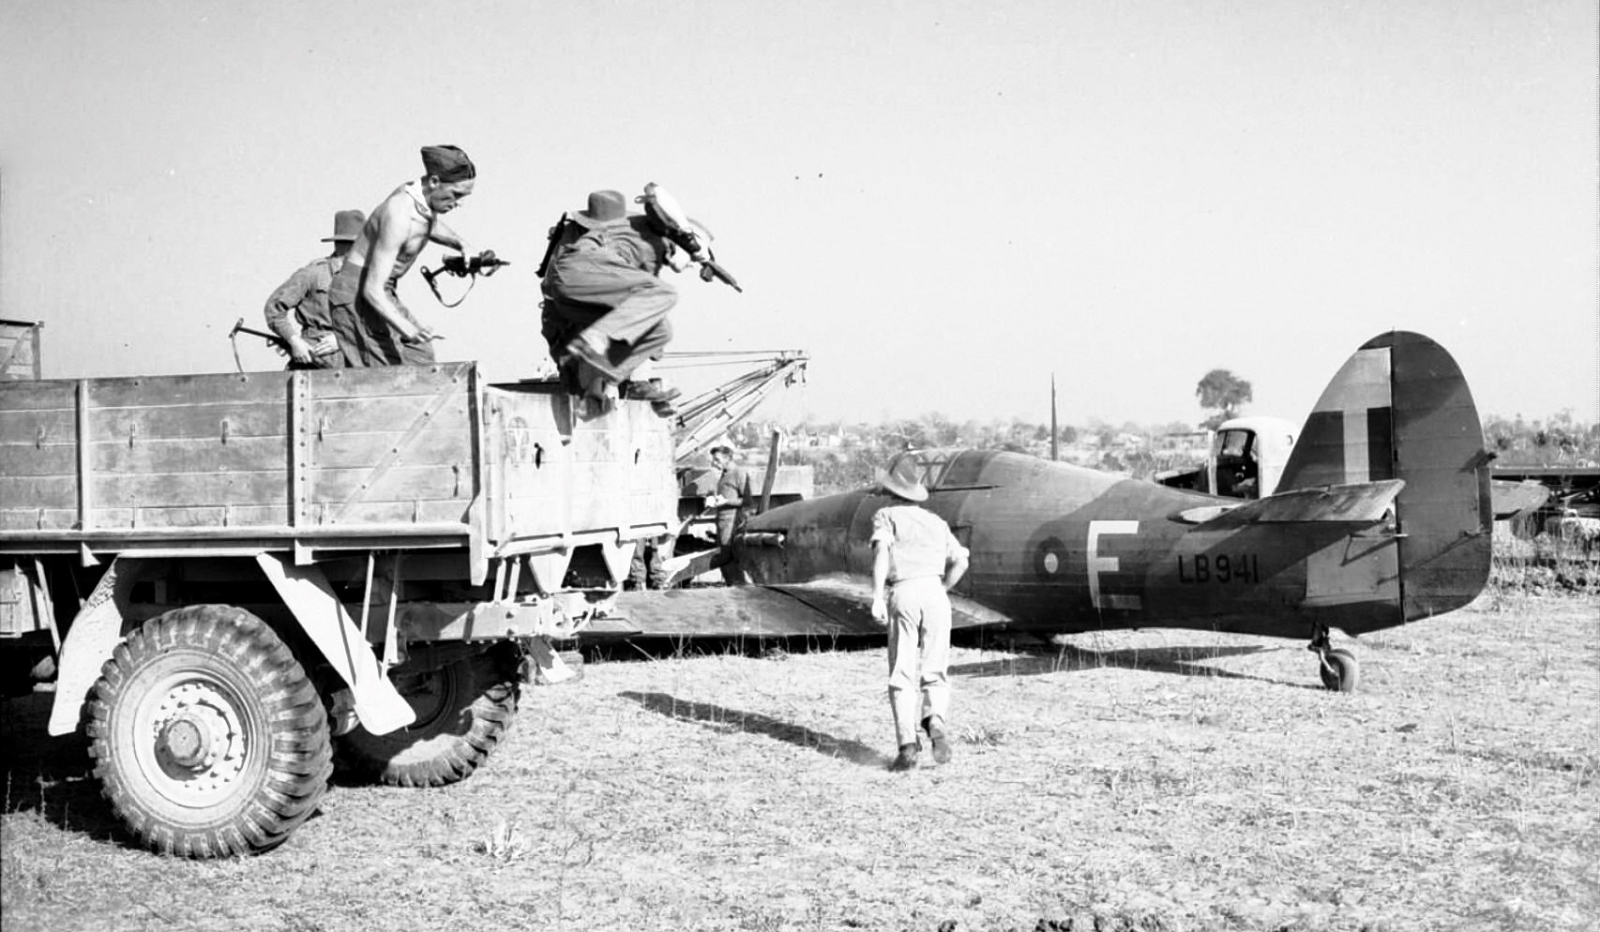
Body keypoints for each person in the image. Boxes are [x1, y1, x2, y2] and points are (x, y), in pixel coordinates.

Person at [329, 145, 476, 367]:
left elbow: (428, 225)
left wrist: (463, 245)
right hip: (357, 293)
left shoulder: (418, 199)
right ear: (434, 182)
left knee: (420, 356)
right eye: (455, 194)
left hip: (380, 290)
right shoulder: (398, 214)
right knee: (385, 376)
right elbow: (372, 290)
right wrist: (408, 329)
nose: (458, 203)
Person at [869, 455, 970, 772]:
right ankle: (935, 718)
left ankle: (907, 746)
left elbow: (882, 552)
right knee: (936, 670)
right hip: (936, 593)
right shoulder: (936, 522)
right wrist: (943, 589)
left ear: (890, 490)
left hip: (905, 591)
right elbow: (962, 561)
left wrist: (876, 597)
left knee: (902, 673)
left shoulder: (885, 515)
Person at [539, 189, 681, 414]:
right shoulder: (574, 239)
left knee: (645, 319)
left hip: (596, 320)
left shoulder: (626, 240)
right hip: (572, 320)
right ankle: (596, 393)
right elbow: (557, 287)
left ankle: (630, 385)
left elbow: (644, 294)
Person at [262, 209, 365, 369]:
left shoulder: (368, 280)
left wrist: (342, 339)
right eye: (355, 245)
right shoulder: (313, 274)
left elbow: (377, 323)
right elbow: (274, 308)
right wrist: (294, 341)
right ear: (340, 244)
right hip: (312, 362)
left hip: (355, 362)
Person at [705, 444, 752, 582]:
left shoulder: (739, 474)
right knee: (725, 562)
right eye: (713, 460)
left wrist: (726, 502)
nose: (714, 463)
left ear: (727, 459)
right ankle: (732, 588)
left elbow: (747, 501)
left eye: (717, 460)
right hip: (722, 522)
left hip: (731, 523)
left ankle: (738, 588)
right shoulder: (724, 475)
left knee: (728, 558)